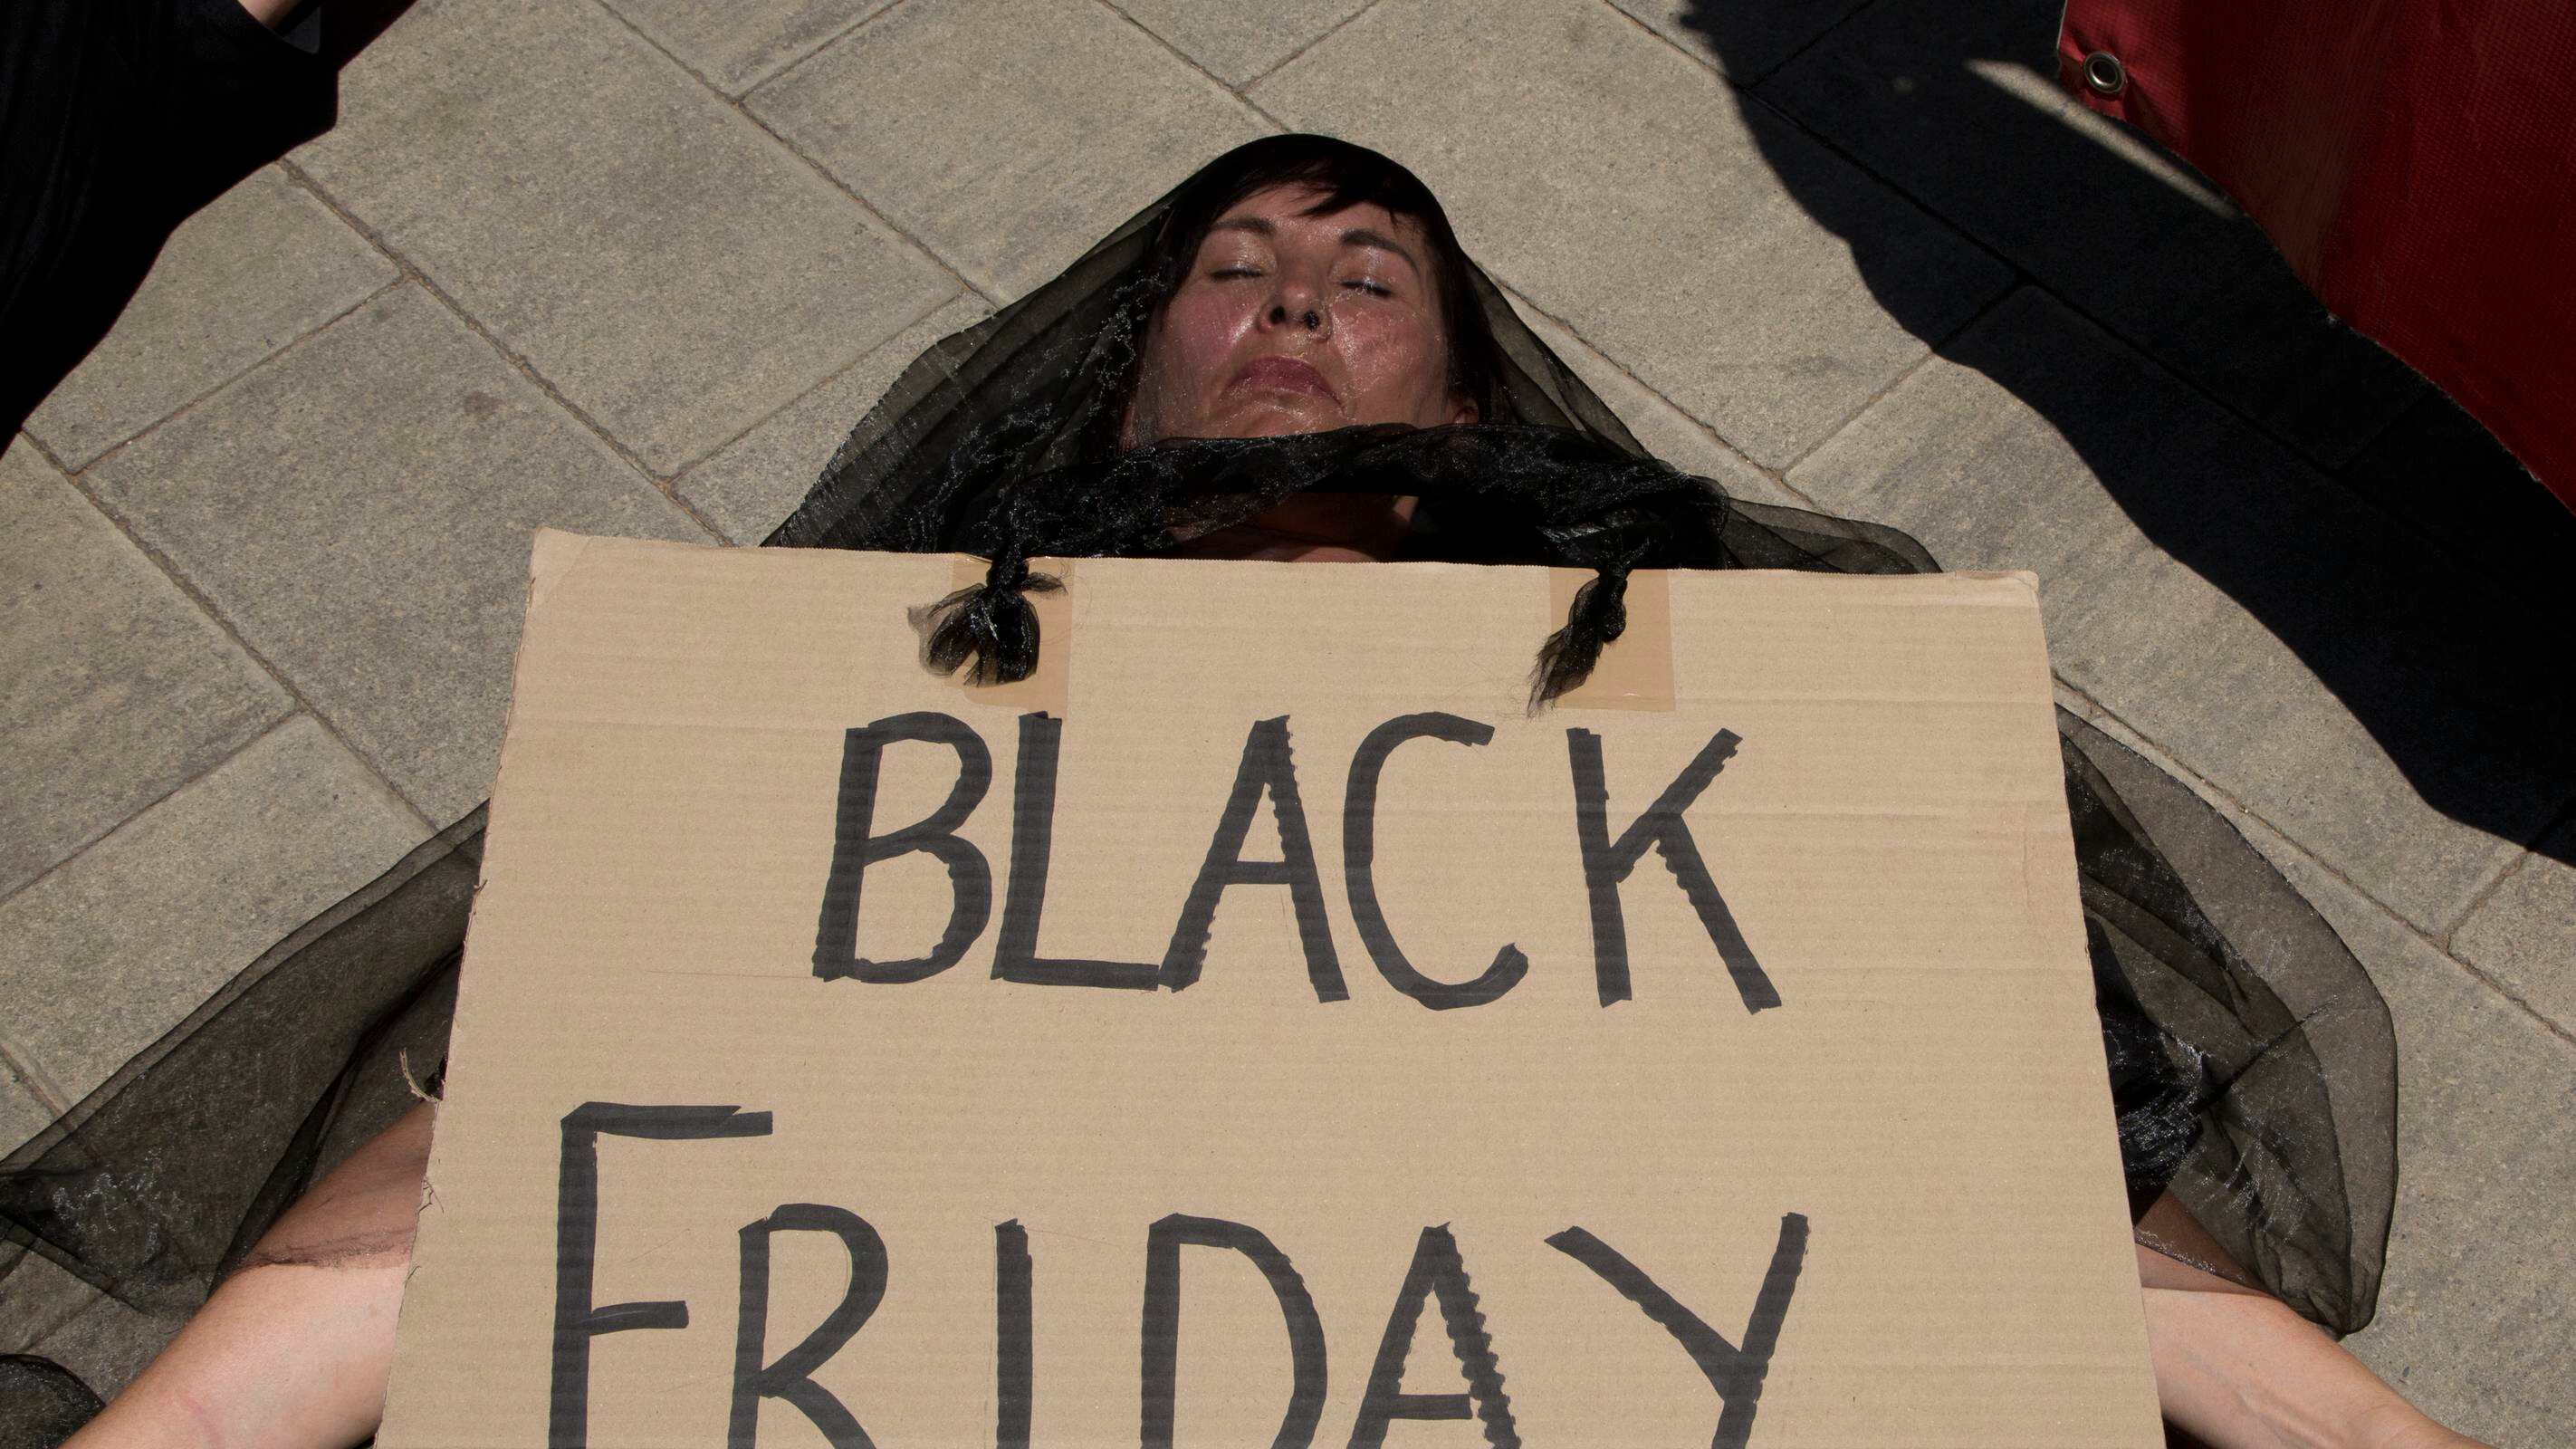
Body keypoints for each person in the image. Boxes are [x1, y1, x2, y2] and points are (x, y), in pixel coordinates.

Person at [5, 135, 2485, 1449]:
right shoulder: (855, 747)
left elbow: (1990, 1211)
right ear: (1125, 370)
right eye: (1235, 264)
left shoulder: (1699, 761)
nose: (1295, 295)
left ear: (1469, 396)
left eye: (1370, 270)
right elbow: (531, 1179)